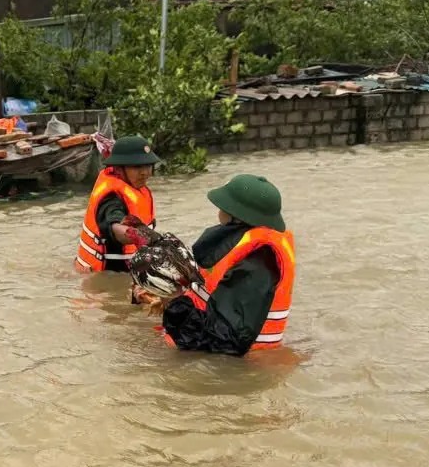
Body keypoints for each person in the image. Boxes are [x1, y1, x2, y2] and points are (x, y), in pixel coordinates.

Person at [158, 174, 296, 355]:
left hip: (241, 363)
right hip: (203, 349)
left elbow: (225, 341)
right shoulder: (242, 246)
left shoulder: (258, 260)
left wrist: (173, 302)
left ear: (236, 215)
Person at [74, 135, 160, 273]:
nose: (144, 173)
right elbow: (114, 226)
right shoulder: (111, 198)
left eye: (148, 165)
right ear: (118, 169)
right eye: (137, 167)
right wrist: (137, 236)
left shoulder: (137, 188)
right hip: (104, 276)